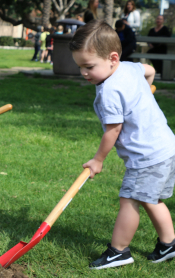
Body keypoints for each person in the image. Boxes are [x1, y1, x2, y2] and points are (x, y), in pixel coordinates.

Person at [69, 19, 175, 270]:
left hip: (146, 156)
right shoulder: (128, 67)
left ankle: (118, 252)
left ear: (112, 58)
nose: (84, 73)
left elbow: (113, 131)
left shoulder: (109, 92)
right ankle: (169, 244)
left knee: (129, 199)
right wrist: (147, 88)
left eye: (89, 66)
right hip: (167, 147)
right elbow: (148, 69)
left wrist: (98, 160)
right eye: (80, 67)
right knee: (152, 199)